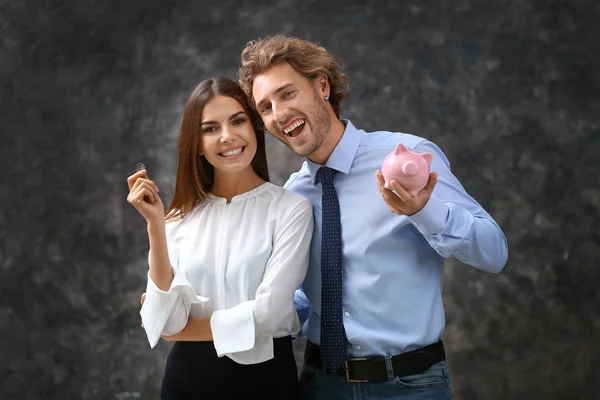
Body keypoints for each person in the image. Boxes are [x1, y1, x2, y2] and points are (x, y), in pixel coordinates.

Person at [237, 35, 509, 400]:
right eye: (265, 107)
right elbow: (306, 299)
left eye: (287, 94)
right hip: (320, 386)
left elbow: (493, 253)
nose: (278, 113)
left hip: (410, 387)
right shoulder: (293, 195)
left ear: (321, 86)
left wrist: (424, 211)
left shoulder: (409, 157)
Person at [126, 77, 314, 399]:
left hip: (265, 381)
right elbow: (162, 323)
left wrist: (182, 330)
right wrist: (155, 226)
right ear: (196, 144)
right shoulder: (176, 221)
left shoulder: (291, 209)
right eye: (210, 128)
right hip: (187, 382)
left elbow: (267, 316)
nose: (228, 137)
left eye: (238, 120)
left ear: (254, 127)